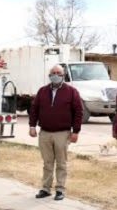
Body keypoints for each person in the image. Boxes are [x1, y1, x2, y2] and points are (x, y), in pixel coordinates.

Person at [29, 64, 83, 201]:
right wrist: (32, 126)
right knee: (47, 163)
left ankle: (60, 189)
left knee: (61, 163)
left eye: (58, 72)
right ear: (49, 75)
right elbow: (34, 109)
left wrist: (76, 131)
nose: (55, 75)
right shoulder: (42, 91)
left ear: (63, 75)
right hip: (45, 133)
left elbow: (78, 112)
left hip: (62, 133)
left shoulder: (71, 91)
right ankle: (45, 189)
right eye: (53, 72)